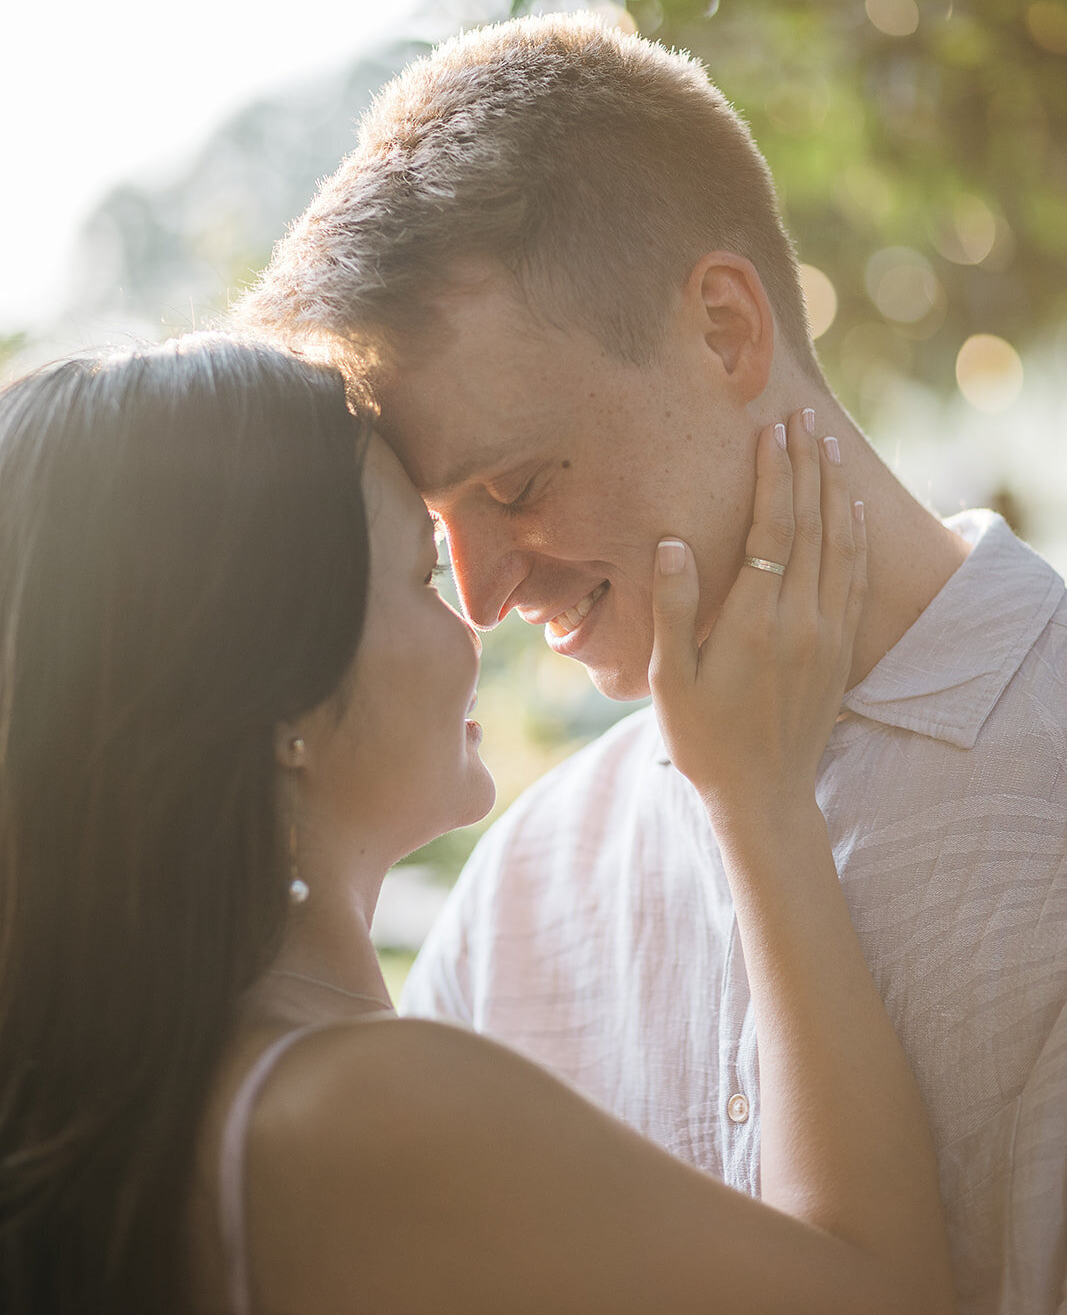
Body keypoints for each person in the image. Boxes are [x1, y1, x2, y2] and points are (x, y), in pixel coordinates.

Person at [238, 12, 1067, 1315]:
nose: (484, 594)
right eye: (428, 530)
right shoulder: (520, 888)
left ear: (725, 330)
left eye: (513, 484)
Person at [0, 335, 953, 1314]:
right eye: (420, 575)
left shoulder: (152, 1103)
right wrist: (760, 802)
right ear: (279, 693)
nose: (478, 619)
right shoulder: (358, 1111)